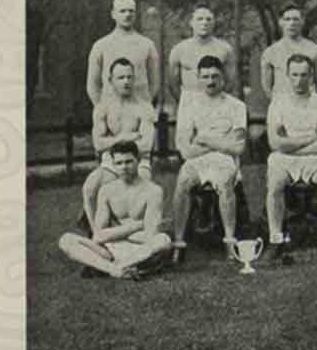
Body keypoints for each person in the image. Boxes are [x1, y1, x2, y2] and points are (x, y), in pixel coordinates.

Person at [170, 55, 247, 263]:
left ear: (223, 77)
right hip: (197, 159)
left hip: (225, 160)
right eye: (205, 77)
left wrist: (205, 139)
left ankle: (230, 242)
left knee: (224, 183)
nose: (210, 81)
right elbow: (185, 151)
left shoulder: (236, 106)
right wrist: (220, 141)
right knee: (183, 180)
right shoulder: (189, 106)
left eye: (215, 76)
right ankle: (178, 243)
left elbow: (238, 147)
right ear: (198, 78)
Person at [59, 141, 171, 279]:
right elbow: (98, 236)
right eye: (119, 163)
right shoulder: (107, 191)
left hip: (141, 250)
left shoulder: (153, 191)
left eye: (128, 162)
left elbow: (150, 235)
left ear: (138, 161)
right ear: (113, 164)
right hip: (112, 250)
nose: (124, 167)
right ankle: (116, 270)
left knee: (163, 240)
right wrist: (136, 226)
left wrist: (113, 233)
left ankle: (114, 267)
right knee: (66, 240)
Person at [263, 54, 317, 265]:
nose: (299, 80)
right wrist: (307, 139)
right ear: (287, 75)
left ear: (311, 75)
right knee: (275, 183)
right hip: (285, 158)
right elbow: (274, 142)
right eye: (294, 75)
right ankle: (275, 239)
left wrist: (291, 145)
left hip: (315, 157)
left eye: (304, 74)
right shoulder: (278, 103)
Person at [82, 58, 156, 233]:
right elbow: (98, 144)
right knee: (90, 187)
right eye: (121, 77)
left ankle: (141, 234)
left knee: (143, 185)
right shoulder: (102, 107)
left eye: (130, 77)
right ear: (110, 80)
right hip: (110, 163)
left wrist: (112, 141)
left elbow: (146, 145)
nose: (126, 82)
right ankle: (98, 235)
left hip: (139, 161)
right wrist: (125, 137)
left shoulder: (144, 107)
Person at [86, 0, 160, 106]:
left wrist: (145, 107)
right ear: (113, 14)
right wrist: (102, 109)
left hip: (139, 108)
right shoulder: (101, 45)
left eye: (131, 11)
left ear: (135, 14)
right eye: (122, 11)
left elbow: (154, 83)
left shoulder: (147, 45)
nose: (127, 15)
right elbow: (92, 85)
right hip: (111, 110)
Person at [168, 4, 237, 114]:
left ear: (214, 22)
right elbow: (173, 83)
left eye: (208, 19)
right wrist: (185, 102)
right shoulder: (179, 50)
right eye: (200, 19)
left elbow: (230, 82)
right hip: (189, 106)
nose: (204, 23)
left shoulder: (225, 49)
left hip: (216, 108)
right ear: (191, 23)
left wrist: (217, 102)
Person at [260, 4, 317, 99]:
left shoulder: (315, 50)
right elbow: (267, 87)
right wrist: (277, 103)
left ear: (302, 21)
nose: (292, 23)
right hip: (281, 104)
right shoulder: (270, 52)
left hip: (307, 105)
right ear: (280, 22)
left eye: (296, 19)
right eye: (287, 19)